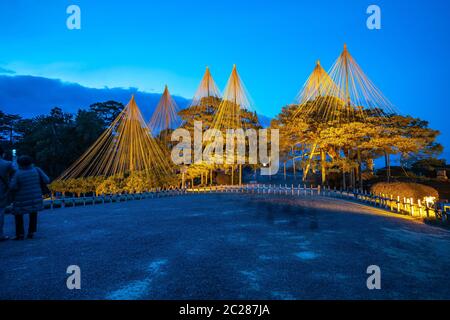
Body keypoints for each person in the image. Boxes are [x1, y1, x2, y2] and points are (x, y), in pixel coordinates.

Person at [9, 155, 50, 240]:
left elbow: (12, 186)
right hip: (35, 196)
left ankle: (20, 234)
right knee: (33, 214)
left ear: (19, 164)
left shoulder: (18, 173)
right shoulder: (37, 170)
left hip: (20, 199)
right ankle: (31, 233)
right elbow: (47, 180)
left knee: (18, 215)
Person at [0, 146, 15, 241]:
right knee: (0, 212)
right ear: (3, 154)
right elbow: (16, 172)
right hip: (1, 191)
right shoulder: (6, 164)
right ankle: (0, 234)